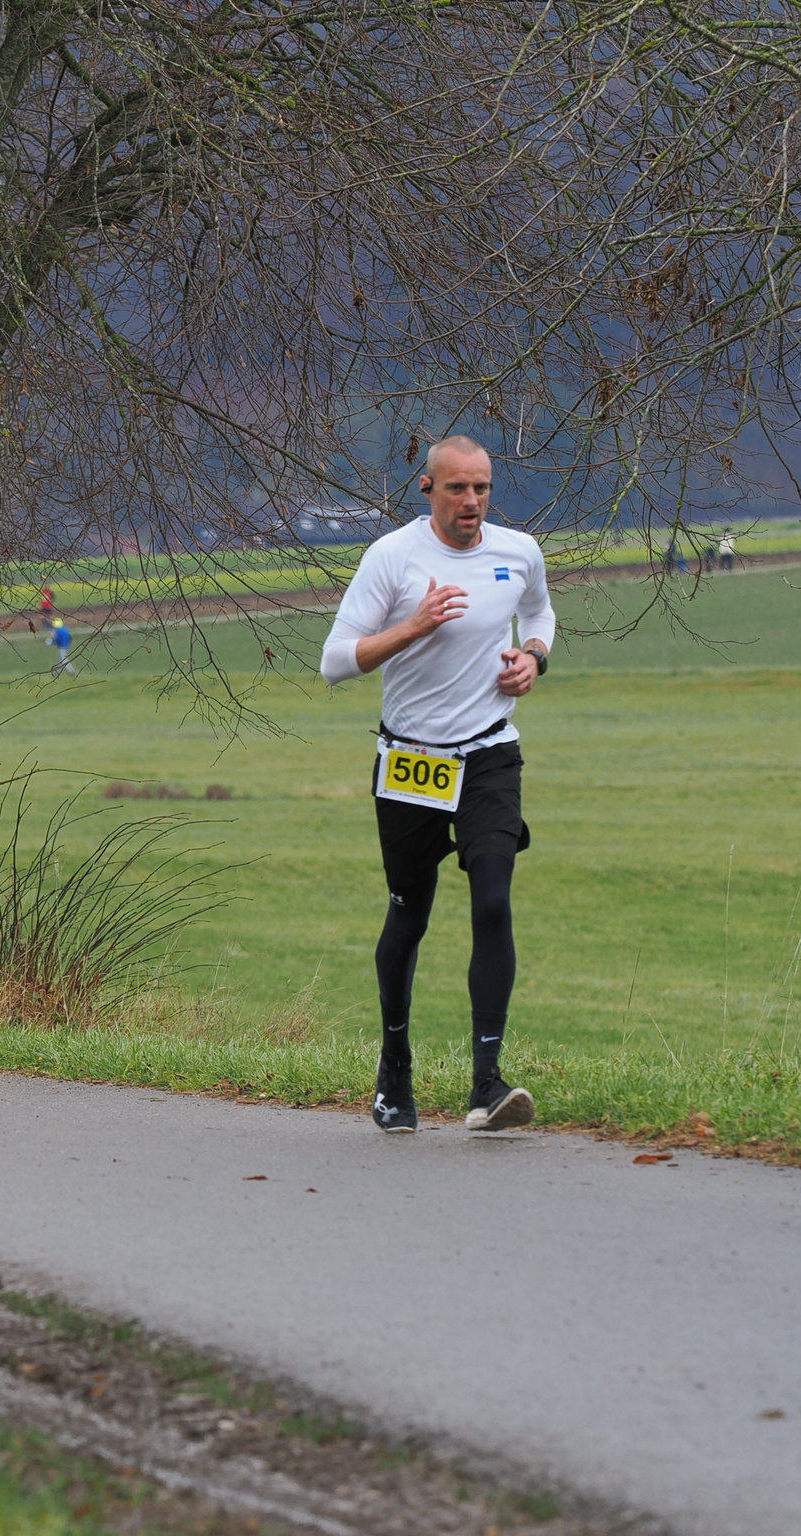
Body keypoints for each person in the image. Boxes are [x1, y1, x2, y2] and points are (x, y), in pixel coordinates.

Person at [319, 434, 554, 1135]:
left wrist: (534, 657)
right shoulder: (393, 558)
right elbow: (335, 661)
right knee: (410, 913)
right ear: (428, 489)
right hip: (412, 763)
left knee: (493, 899)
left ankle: (488, 1083)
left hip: (489, 754)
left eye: (481, 488)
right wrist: (413, 627)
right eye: (457, 488)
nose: (471, 501)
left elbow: (539, 613)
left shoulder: (519, 552)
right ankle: (395, 1070)